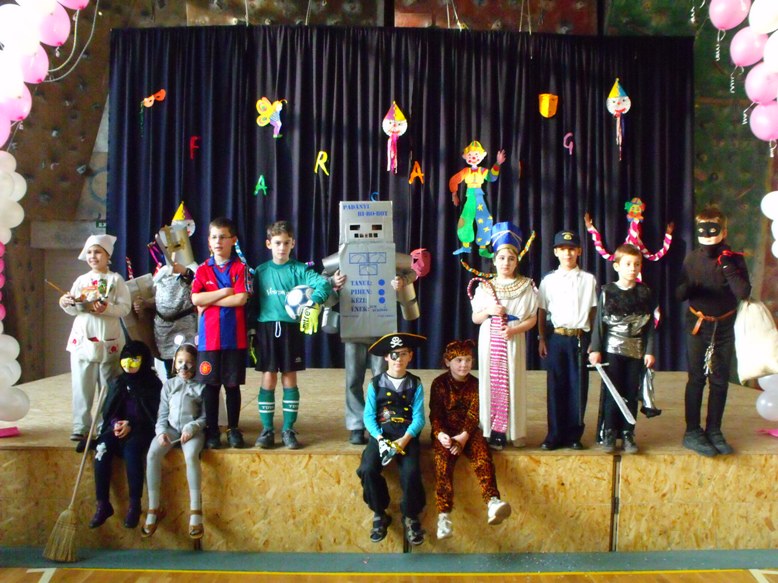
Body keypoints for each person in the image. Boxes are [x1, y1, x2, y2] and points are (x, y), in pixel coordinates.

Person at [676, 206, 751, 457]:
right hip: (697, 326)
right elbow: (679, 293)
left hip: (724, 327)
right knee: (696, 378)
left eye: (713, 230)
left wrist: (728, 266)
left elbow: (743, 292)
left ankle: (714, 430)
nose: (708, 236)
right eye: (703, 231)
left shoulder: (734, 259)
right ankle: (692, 431)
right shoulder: (692, 259)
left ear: (724, 231)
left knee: (719, 380)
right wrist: (688, 287)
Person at [250, 220, 332, 449]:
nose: (282, 247)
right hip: (267, 329)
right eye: (277, 243)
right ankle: (267, 430)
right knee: (268, 376)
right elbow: (253, 304)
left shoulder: (300, 270)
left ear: (293, 243)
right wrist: (251, 330)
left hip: (291, 329)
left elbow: (323, 285)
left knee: (289, 376)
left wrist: (313, 302)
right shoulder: (261, 272)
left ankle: (288, 429)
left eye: (286, 243)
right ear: (269, 244)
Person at [429, 339, 511, 540]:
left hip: (468, 431)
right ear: (447, 362)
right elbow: (435, 414)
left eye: (467, 360)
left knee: (482, 455)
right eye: (458, 360)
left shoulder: (476, 384)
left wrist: (463, 437)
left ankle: (492, 501)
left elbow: (474, 414)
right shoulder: (439, 384)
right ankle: (444, 516)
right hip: (446, 432)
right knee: (442, 463)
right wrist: (441, 435)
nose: (464, 364)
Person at [330, 268, 417, 446]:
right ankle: (356, 425)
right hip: (354, 328)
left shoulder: (387, 255)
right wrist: (333, 280)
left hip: (381, 330)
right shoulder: (344, 256)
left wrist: (402, 280)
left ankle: (380, 423)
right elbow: (323, 277)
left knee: (381, 380)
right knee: (353, 379)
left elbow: (412, 272)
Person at [470, 222, 538, 449]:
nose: (506, 263)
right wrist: (489, 311)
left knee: (512, 380)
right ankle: (491, 430)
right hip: (490, 338)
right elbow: (476, 318)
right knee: (491, 382)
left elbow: (532, 318)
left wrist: (514, 330)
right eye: (501, 258)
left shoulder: (526, 286)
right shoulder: (485, 287)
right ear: (494, 260)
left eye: (510, 258)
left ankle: (514, 431)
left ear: (517, 261)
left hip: (512, 338)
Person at [59, 234, 131, 447]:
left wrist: (106, 308)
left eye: (98, 252)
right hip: (83, 339)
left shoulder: (116, 280)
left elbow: (125, 308)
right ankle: (80, 426)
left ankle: (105, 425)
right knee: (82, 385)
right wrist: (65, 302)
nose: (93, 256)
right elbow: (74, 309)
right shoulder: (81, 281)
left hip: (108, 339)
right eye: (89, 252)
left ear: (108, 256)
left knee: (108, 387)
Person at [356, 332, 427, 546]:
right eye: (394, 354)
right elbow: (368, 416)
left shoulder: (415, 383)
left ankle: (411, 516)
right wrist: (379, 439)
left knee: (411, 473)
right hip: (381, 435)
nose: (398, 359)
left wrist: (403, 440)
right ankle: (380, 513)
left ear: (410, 356)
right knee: (367, 469)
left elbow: (419, 417)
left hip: (406, 436)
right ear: (386, 357)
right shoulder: (376, 383)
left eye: (403, 354)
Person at [588, 244, 656, 454]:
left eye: (636, 264)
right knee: (613, 392)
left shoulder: (645, 292)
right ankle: (609, 431)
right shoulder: (607, 291)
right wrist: (596, 349)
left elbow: (649, 326)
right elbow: (599, 323)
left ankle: (628, 432)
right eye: (628, 264)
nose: (632, 268)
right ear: (617, 266)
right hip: (612, 350)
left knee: (630, 392)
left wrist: (649, 350)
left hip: (636, 350)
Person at [89, 340, 162, 529]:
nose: (129, 364)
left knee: (132, 453)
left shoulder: (152, 384)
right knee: (101, 450)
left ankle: (135, 504)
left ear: (143, 360)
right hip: (117, 428)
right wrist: (115, 423)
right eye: (125, 360)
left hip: (141, 429)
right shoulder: (118, 382)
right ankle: (102, 503)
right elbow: (110, 410)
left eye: (134, 360)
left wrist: (131, 424)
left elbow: (154, 414)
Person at [191, 217, 250, 450]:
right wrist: (224, 292)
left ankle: (233, 429)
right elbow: (196, 298)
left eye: (223, 237)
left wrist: (210, 299)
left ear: (233, 240)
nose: (218, 242)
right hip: (209, 340)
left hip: (234, 339)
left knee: (232, 386)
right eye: (214, 237)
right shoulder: (202, 269)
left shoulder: (240, 268)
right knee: (211, 387)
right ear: (208, 241)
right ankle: (212, 430)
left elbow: (241, 299)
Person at [537, 230, 598, 450]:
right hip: (557, 338)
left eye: (572, 249)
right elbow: (542, 311)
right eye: (562, 249)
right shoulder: (549, 280)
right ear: (556, 252)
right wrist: (542, 337)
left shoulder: (588, 280)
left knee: (577, 387)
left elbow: (593, 311)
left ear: (579, 251)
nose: (567, 253)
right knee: (556, 386)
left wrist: (593, 340)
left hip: (579, 338)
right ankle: (554, 434)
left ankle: (574, 435)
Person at [143, 343, 206, 539]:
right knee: (152, 454)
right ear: (174, 363)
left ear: (196, 364)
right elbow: (162, 415)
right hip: (171, 429)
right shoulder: (169, 385)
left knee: (191, 456)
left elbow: (206, 417)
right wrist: (161, 432)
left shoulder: (202, 387)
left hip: (191, 432)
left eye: (189, 362)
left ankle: (196, 511)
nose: (183, 367)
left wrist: (192, 427)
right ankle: (154, 507)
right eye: (180, 362)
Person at [134, 261, 197, 378]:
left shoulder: (193, 270)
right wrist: (145, 304)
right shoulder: (162, 272)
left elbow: (195, 284)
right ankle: (172, 389)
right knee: (170, 369)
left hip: (185, 326)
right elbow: (159, 299)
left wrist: (185, 272)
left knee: (188, 364)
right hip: (163, 328)